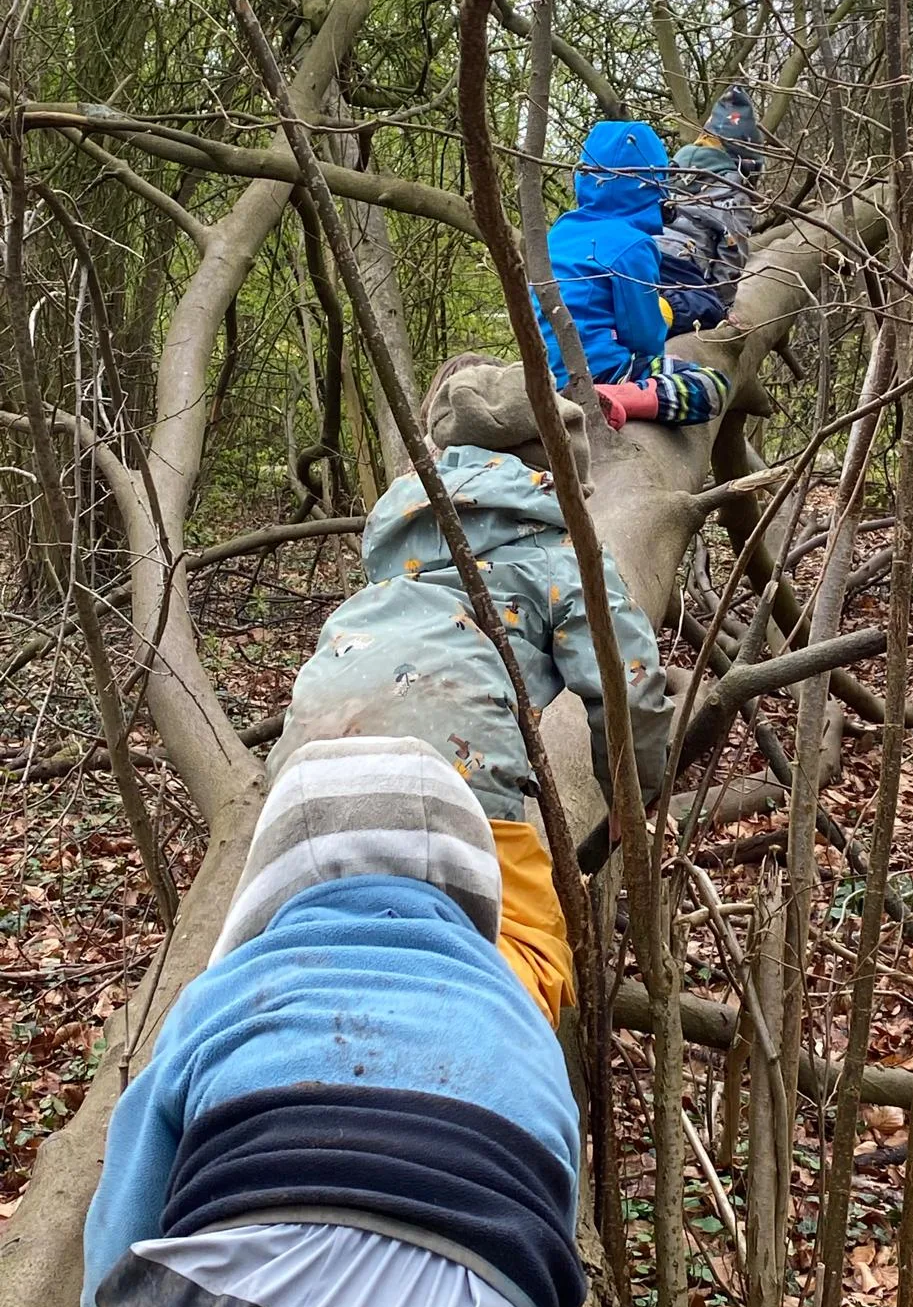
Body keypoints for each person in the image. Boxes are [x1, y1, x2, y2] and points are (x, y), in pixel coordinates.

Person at [81, 735, 585, 1307]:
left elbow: (125, 1215)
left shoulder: (225, 992)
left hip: (235, 1295)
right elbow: (554, 1218)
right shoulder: (523, 1018)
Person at [266, 357, 672, 828]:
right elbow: (626, 684)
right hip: (454, 764)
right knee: (512, 902)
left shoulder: (401, 528)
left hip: (308, 751)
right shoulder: (565, 551)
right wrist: (635, 797)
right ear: (561, 469)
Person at [532, 118, 732, 426]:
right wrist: (654, 361)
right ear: (656, 185)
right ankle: (627, 397)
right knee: (712, 387)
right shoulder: (634, 245)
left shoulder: (558, 234)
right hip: (602, 372)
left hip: (546, 375)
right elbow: (643, 335)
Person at [656, 85, 763, 335]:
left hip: (641, 256)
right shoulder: (732, 191)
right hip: (682, 266)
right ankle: (663, 312)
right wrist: (721, 304)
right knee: (705, 307)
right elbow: (731, 251)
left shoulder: (668, 171)